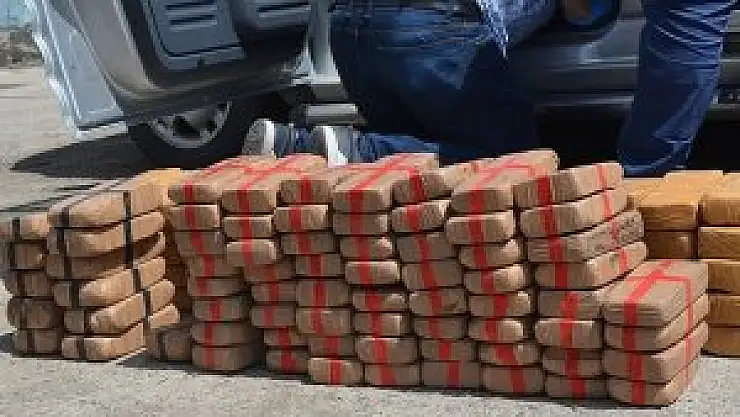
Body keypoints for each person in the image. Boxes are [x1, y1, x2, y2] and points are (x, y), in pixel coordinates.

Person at [243, 0, 734, 176]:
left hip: (350, 32)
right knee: (511, 160)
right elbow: (580, 11)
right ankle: (349, 149)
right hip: (431, 32)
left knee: (416, 175)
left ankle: (301, 145)